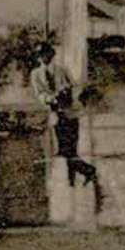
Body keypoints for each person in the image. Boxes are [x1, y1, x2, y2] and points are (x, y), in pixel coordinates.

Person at [30, 43, 98, 188]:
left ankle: (72, 182)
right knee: (64, 149)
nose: (44, 58)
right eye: (41, 56)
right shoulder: (35, 74)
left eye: (47, 55)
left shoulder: (62, 70)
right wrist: (51, 99)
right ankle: (88, 171)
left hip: (70, 112)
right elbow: (40, 94)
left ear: (52, 55)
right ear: (38, 58)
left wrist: (67, 92)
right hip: (56, 114)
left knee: (71, 149)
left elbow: (73, 87)